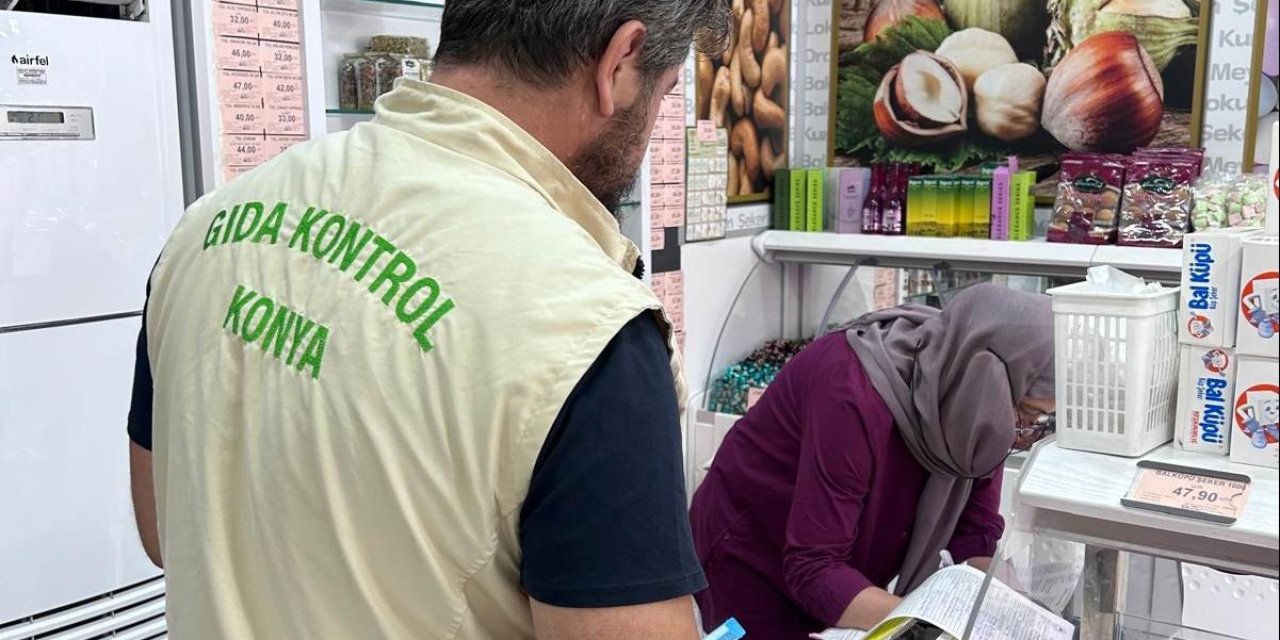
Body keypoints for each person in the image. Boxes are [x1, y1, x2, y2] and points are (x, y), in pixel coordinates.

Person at [126, 2, 730, 638]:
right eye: (663, 95)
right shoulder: (585, 325)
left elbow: (164, 530)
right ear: (621, 60)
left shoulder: (206, 228)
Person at [689, 284, 1057, 638]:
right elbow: (814, 568)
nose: (1019, 432)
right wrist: (927, 627)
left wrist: (1012, 610)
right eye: (1027, 413)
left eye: (1041, 422)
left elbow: (973, 536)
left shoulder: (970, 397)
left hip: (839, 566)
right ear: (987, 379)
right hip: (753, 556)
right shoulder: (852, 390)